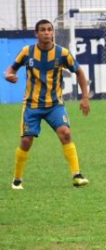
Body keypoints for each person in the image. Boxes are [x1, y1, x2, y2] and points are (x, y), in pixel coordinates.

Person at [4, 19, 90, 189]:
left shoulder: (62, 53)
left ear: (53, 33)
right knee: (26, 141)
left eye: (49, 29)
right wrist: (8, 76)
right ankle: (17, 179)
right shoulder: (27, 52)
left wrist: (85, 97)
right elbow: (11, 69)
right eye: (42, 30)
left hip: (55, 105)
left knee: (66, 133)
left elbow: (79, 72)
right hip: (32, 105)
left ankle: (77, 175)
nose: (46, 33)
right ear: (36, 33)